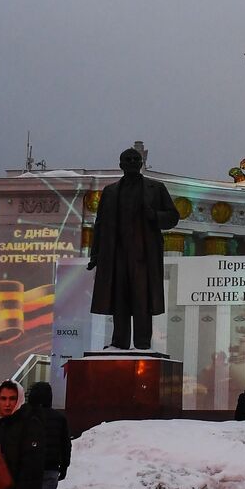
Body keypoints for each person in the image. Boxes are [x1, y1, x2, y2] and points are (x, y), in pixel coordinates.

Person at [87, 148, 180, 351]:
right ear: (120, 164)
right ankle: (119, 342)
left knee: (142, 300)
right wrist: (95, 254)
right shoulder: (110, 191)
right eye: (127, 159)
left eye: (135, 159)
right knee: (119, 298)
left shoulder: (156, 188)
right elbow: (100, 224)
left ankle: (142, 343)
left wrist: (154, 215)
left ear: (141, 163)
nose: (131, 162)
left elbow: (173, 216)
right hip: (116, 255)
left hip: (143, 256)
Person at [26, 383, 71, 489]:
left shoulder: (27, 416)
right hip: (51, 467)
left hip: (29, 468)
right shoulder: (59, 418)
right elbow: (65, 444)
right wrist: (64, 465)